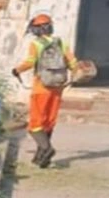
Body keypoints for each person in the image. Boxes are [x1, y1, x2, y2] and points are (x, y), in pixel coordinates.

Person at [11, 13, 76, 168]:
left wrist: (17, 70)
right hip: (57, 89)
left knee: (35, 124)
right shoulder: (61, 43)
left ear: (37, 29)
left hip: (41, 88)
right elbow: (73, 63)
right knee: (48, 122)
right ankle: (42, 158)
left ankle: (47, 149)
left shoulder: (36, 44)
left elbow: (30, 62)